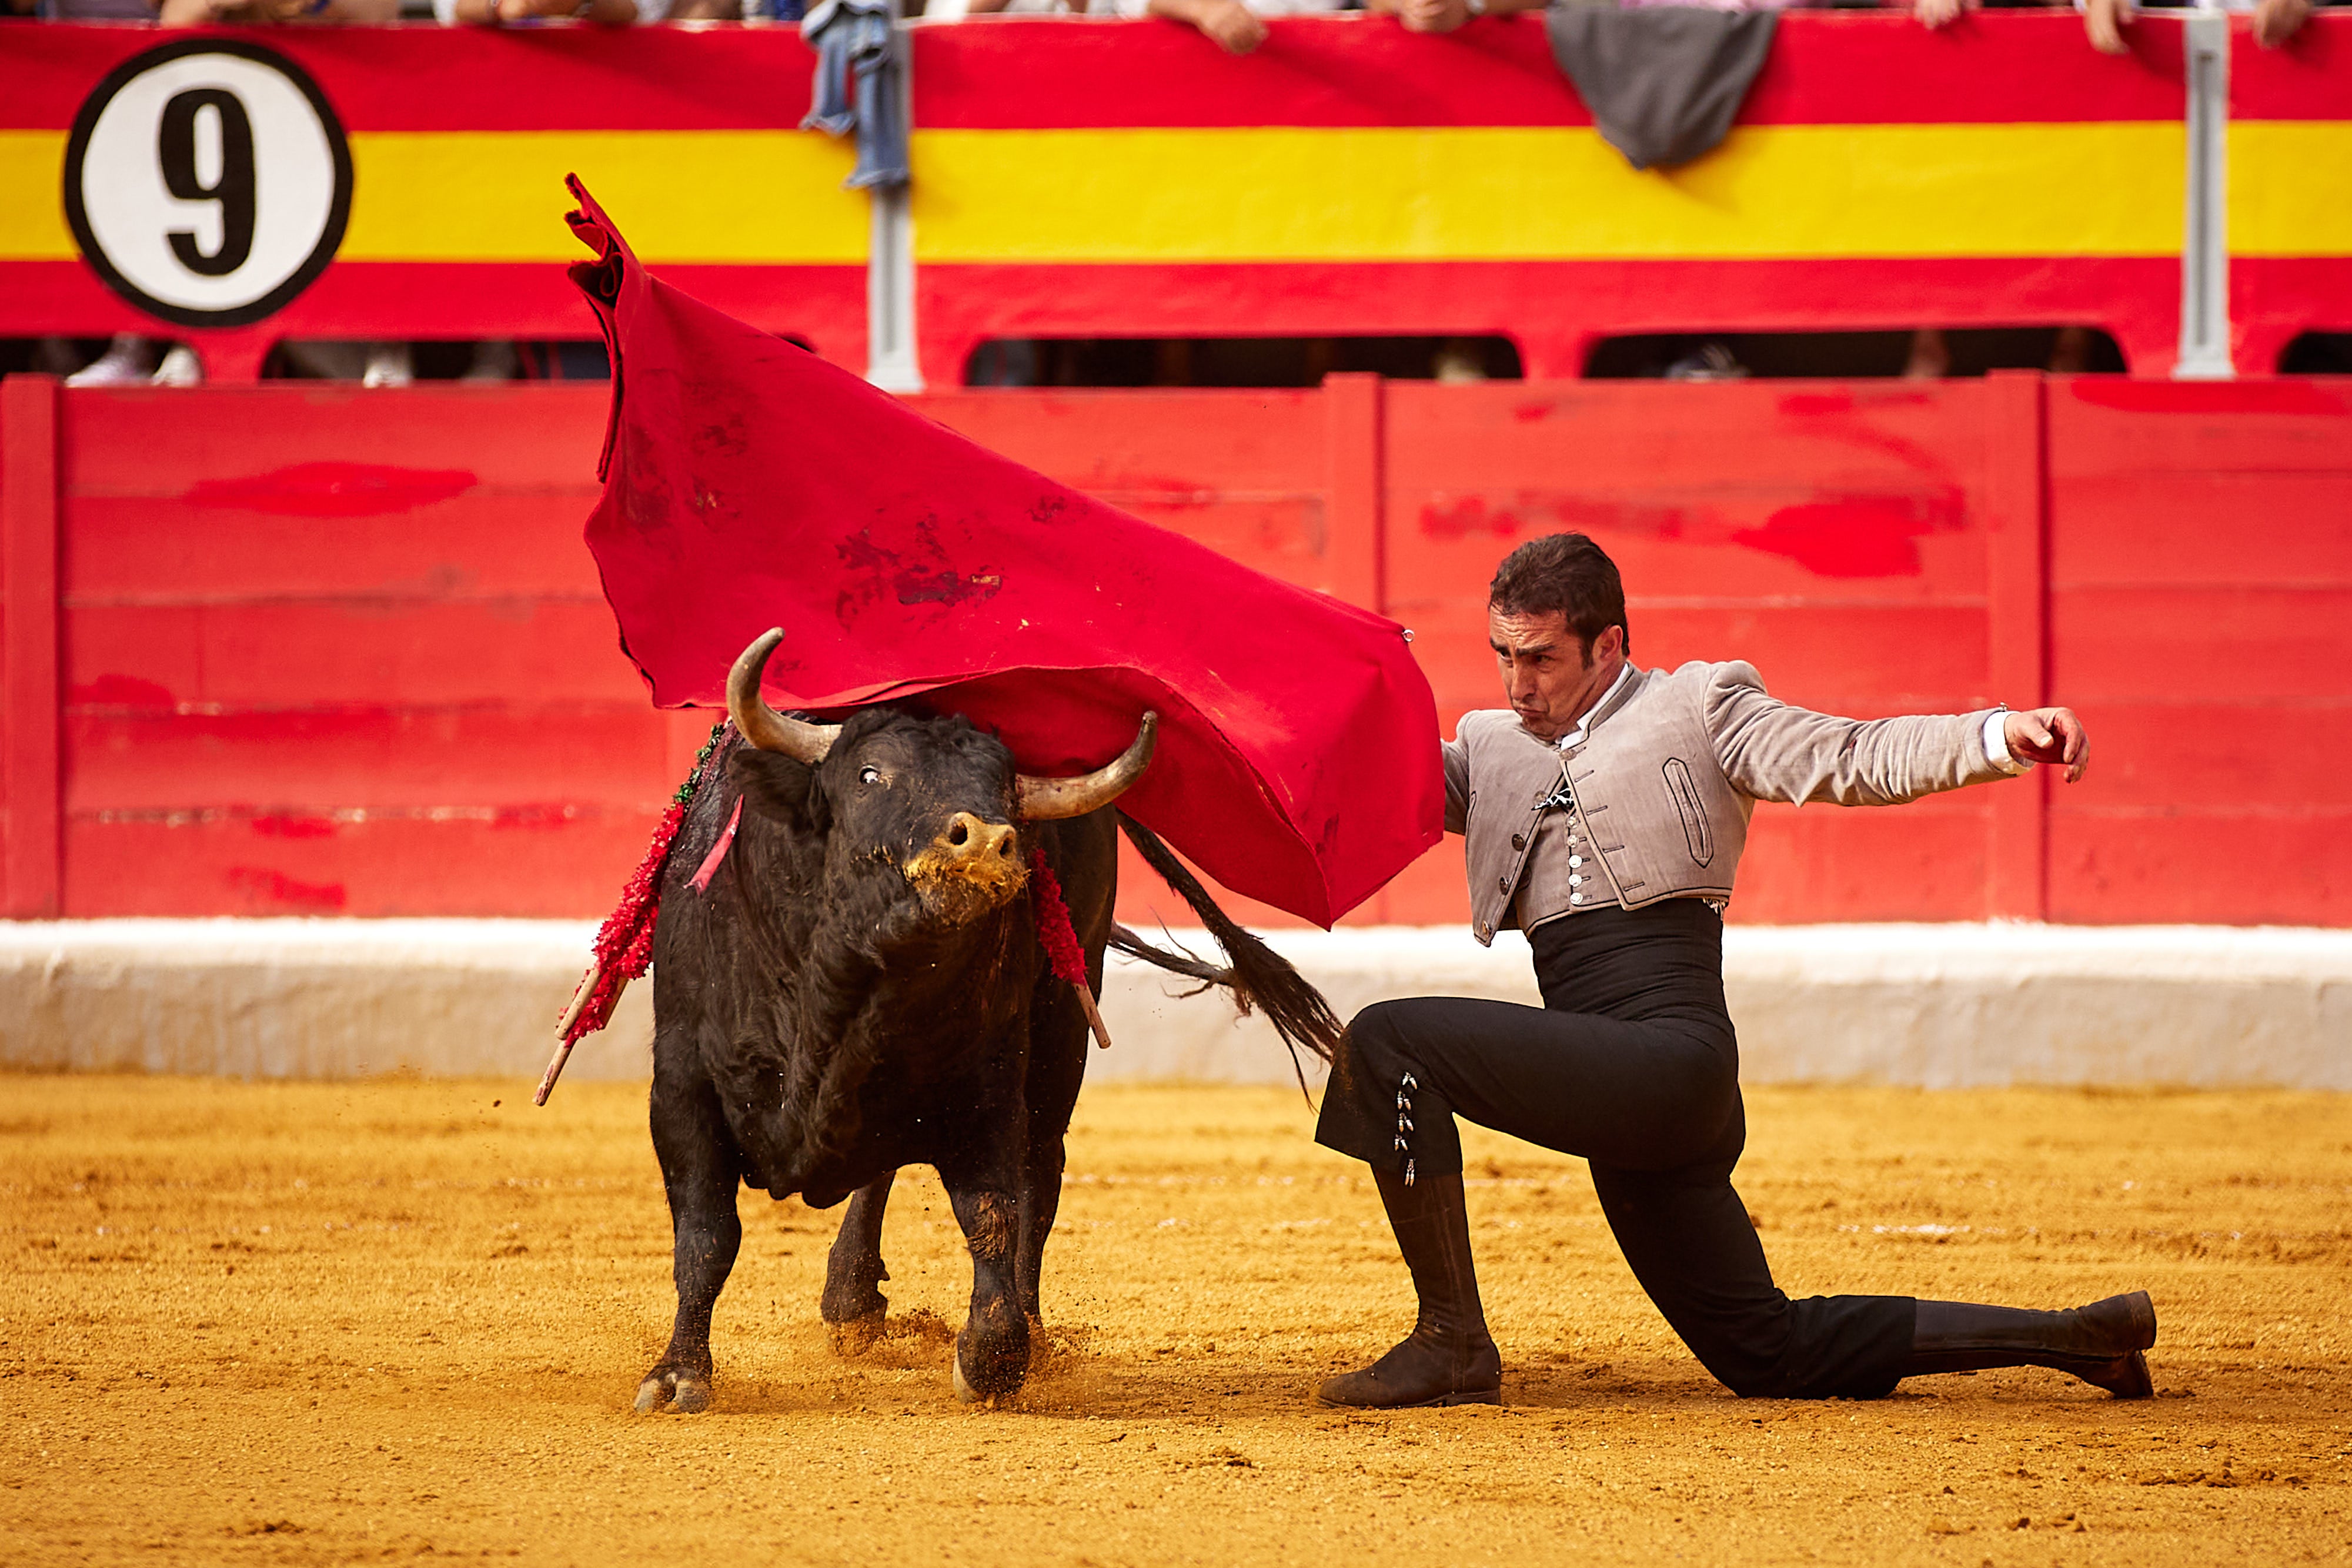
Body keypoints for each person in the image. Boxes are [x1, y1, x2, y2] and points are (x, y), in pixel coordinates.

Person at [1312, 531, 2157, 1409]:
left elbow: (1849, 754)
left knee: (1389, 1041)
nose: (1518, 685)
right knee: (1767, 1352)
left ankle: (1451, 1341)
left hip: (1670, 1064)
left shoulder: (1699, 707)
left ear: (1608, 646)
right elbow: (1364, 784)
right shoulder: (1489, 750)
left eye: (1540, 659)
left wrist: (1994, 736)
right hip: (1618, 1090)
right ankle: (2078, 1338)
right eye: (1503, 657)